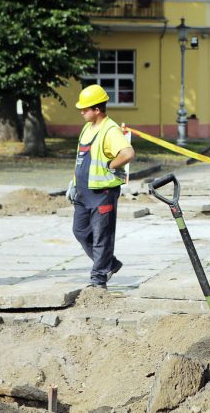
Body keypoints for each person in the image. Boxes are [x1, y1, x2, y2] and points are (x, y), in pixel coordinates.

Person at [66, 84, 135, 289]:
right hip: (83, 191)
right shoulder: (87, 128)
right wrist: (74, 182)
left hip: (102, 192)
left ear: (97, 109)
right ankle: (110, 263)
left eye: (85, 108)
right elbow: (81, 159)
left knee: (101, 237)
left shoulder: (110, 130)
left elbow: (128, 153)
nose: (81, 111)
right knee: (80, 232)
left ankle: (99, 279)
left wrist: (111, 165)